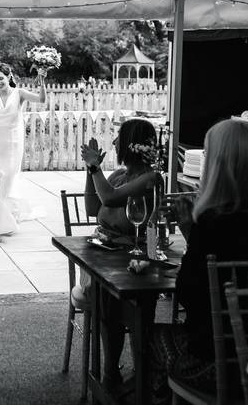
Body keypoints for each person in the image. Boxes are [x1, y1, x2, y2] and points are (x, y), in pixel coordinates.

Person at [152, 119, 248, 402]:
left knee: (151, 333)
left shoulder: (213, 224)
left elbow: (189, 295)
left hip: (216, 364)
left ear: (218, 165)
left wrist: (192, 229)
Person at [76, 118, 160, 389]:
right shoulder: (117, 176)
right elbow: (92, 207)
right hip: (103, 257)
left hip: (133, 258)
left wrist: (95, 166)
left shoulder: (151, 178)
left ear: (129, 145)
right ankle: (113, 370)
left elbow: (111, 199)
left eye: (118, 139)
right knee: (107, 299)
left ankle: (139, 371)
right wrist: (92, 172)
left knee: (131, 305)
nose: (113, 143)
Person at [0, 63, 46, 242]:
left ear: (9, 77)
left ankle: (5, 221)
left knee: (7, 182)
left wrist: (43, 82)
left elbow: (41, 99)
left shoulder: (20, 93)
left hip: (13, 144)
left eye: (1, 78)